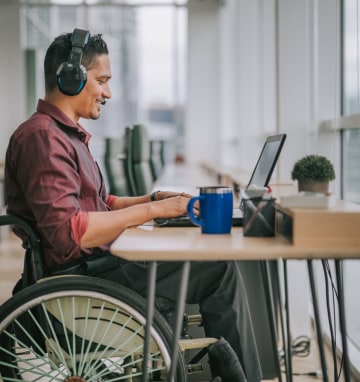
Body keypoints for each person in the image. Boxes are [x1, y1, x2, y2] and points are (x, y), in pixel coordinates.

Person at [4, 29, 262, 382]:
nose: (108, 93)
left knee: (209, 263)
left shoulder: (64, 134)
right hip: (83, 277)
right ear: (71, 76)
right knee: (218, 268)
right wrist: (152, 213)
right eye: (102, 80)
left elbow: (101, 203)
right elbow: (69, 232)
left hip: (98, 265)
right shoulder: (42, 137)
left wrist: (154, 199)